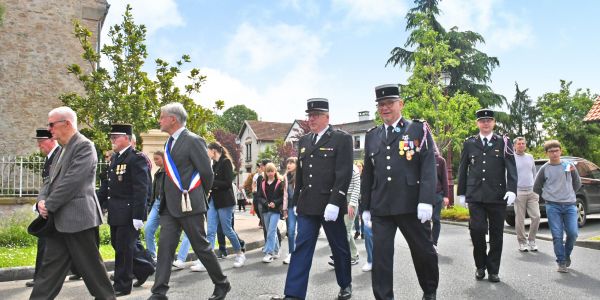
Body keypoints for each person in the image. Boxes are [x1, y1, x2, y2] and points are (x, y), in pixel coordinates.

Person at [361, 84, 438, 300]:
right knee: (382, 257)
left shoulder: (417, 129)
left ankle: (429, 291)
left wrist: (426, 200)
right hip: (381, 205)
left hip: (411, 203)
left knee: (423, 251)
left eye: (389, 103)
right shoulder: (373, 135)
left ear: (400, 104)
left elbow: (428, 166)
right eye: (381, 105)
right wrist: (365, 206)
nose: (385, 108)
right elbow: (368, 173)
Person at [273, 98, 353, 300]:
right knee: (302, 247)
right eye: (309, 115)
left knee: (339, 246)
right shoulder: (305, 140)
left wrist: (336, 202)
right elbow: (301, 174)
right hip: (308, 205)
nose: (312, 119)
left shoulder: (341, 139)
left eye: (316, 115)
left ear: (327, 117)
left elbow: (343, 174)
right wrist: (297, 201)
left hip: (330, 205)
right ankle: (293, 293)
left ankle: (345, 284)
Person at [31, 106, 115, 300]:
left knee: (93, 272)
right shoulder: (61, 149)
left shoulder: (84, 146)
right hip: (59, 221)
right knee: (48, 272)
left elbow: (72, 182)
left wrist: (49, 205)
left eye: (52, 124)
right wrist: (41, 201)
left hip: (79, 221)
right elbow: (49, 180)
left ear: (67, 124)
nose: (49, 129)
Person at [150, 102, 230, 300]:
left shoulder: (193, 140)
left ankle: (222, 283)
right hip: (169, 206)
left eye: (162, 116)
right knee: (165, 247)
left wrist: (197, 196)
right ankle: (159, 291)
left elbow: (206, 173)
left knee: (201, 247)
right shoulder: (169, 142)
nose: (159, 120)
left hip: (189, 204)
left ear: (173, 119)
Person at [457, 108, 517, 283]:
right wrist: (461, 192)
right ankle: (480, 265)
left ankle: (493, 270)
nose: (485, 123)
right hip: (475, 195)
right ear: (477, 123)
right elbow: (463, 169)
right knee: (477, 231)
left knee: (497, 234)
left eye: (489, 120)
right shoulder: (469, 143)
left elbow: (511, 168)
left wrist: (512, 189)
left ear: (494, 123)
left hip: (497, 195)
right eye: (482, 121)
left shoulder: (504, 142)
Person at [97, 124, 155, 295]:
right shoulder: (115, 158)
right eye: (111, 137)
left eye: (116, 137)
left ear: (128, 139)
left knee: (124, 249)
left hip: (129, 213)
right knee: (118, 245)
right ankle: (144, 268)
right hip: (116, 211)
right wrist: (97, 204)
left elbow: (141, 188)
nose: (112, 140)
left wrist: (139, 215)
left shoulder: (136, 158)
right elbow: (107, 185)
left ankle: (122, 285)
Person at [191, 141, 246, 270]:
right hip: (213, 201)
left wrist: (210, 183)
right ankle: (207, 261)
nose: (206, 153)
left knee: (227, 230)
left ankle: (240, 253)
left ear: (214, 150)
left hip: (225, 201)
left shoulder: (226, 162)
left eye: (208, 151)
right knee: (210, 231)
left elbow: (227, 183)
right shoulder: (214, 164)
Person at [533, 140, 581, 273]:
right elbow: (536, 187)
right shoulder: (544, 168)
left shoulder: (568, 165)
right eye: (551, 151)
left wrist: (569, 193)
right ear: (547, 153)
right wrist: (548, 197)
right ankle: (561, 262)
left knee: (573, 233)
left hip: (570, 205)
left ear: (561, 151)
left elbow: (577, 183)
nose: (554, 153)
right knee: (557, 235)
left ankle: (566, 255)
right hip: (553, 206)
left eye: (556, 151)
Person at [26, 129, 62, 288]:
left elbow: (60, 184)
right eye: (38, 141)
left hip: (56, 207)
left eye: (42, 141)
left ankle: (41, 277)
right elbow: (46, 184)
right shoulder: (49, 158)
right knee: (48, 242)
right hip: (47, 206)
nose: (39, 144)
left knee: (47, 242)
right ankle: (41, 276)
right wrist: (40, 201)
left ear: (52, 140)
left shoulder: (60, 155)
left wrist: (47, 203)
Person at [329, 163, 361, 267]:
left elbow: (357, 187)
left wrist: (351, 204)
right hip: (340, 199)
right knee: (345, 229)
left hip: (350, 200)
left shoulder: (353, 168)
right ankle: (354, 255)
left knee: (345, 230)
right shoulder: (337, 165)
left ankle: (339, 257)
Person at [513, 137, 541, 252]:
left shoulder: (530, 157)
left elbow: (534, 173)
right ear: (514, 146)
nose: (521, 145)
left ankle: (532, 240)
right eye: (519, 144)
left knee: (537, 216)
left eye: (523, 143)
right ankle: (522, 242)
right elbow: (507, 176)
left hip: (531, 191)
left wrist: (536, 189)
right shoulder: (511, 158)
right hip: (518, 192)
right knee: (520, 219)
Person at [255, 162, 285, 263]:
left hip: (275, 211)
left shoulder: (279, 183)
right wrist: (266, 203)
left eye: (272, 171)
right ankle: (277, 250)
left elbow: (283, 197)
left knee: (271, 231)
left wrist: (275, 203)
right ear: (265, 172)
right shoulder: (263, 183)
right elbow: (259, 197)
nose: (270, 173)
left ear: (275, 171)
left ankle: (269, 253)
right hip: (265, 211)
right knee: (269, 232)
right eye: (268, 171)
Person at [145, 151, 165, 260]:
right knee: (148, 228)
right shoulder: (157, 172)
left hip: (166, 205)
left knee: (165, 233)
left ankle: (165, 257)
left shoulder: (169, 172)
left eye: (157, 158)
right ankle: (152, 256)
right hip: (156, 204)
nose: (155, 161)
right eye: (154, 159)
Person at [431, 150, 450, 252]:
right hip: (425, 195)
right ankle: (426, 242)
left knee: (436, 219)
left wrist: (446, 196)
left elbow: (445, 179)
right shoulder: (423, 158)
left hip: (438, 194)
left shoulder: (440, 160)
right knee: (423, 220)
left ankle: (434, 243)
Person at [283, 157, 298, 265]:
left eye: (292, 163)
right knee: (291, 231)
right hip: (290, 207)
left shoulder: (301, 175)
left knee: (302, 232)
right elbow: (285, 195)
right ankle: (291, 253)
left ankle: (300, 254)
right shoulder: (286, 177)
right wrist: (284, 209)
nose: (289, 164)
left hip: (302, 207)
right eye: (288, 162)